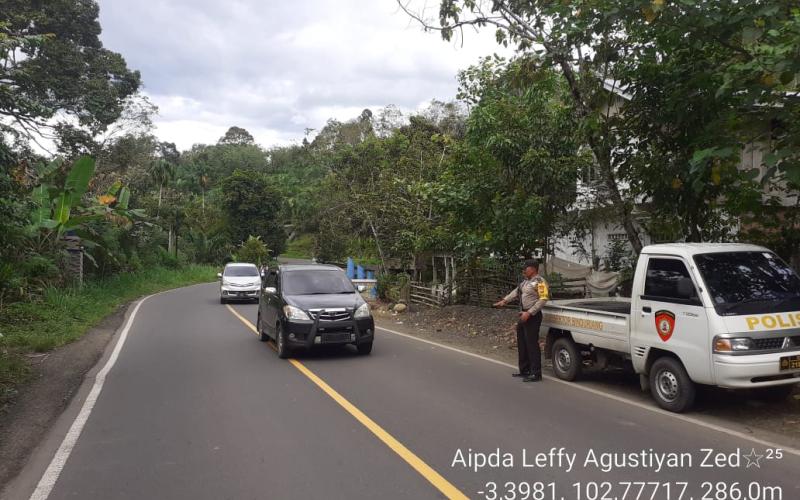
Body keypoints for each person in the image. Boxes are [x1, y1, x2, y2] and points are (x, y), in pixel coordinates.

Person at [494, 259, 550, 382]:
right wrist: (504, 301)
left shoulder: (540, 281)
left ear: (533, 269)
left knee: (532, 344)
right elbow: (516, 292)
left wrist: (529, 313)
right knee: (522, 342)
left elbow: (544, 299)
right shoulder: (526, 282)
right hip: (523, 314)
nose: (524, 270)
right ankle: (524, 370)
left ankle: (536, 373)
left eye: (526, 268)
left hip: (532, 315)